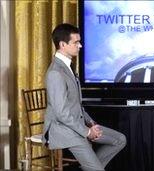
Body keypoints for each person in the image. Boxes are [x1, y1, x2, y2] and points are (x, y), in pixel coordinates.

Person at [42, 23, 126, 171]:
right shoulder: (56, 72)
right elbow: (62, 113)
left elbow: (76, 105)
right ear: (62, 44)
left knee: (120, 140)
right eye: (76, 42)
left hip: (78, 126)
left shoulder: (68, 66)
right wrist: (87, 132)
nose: (80, 46)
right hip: (64, 131)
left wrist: (91, 123)